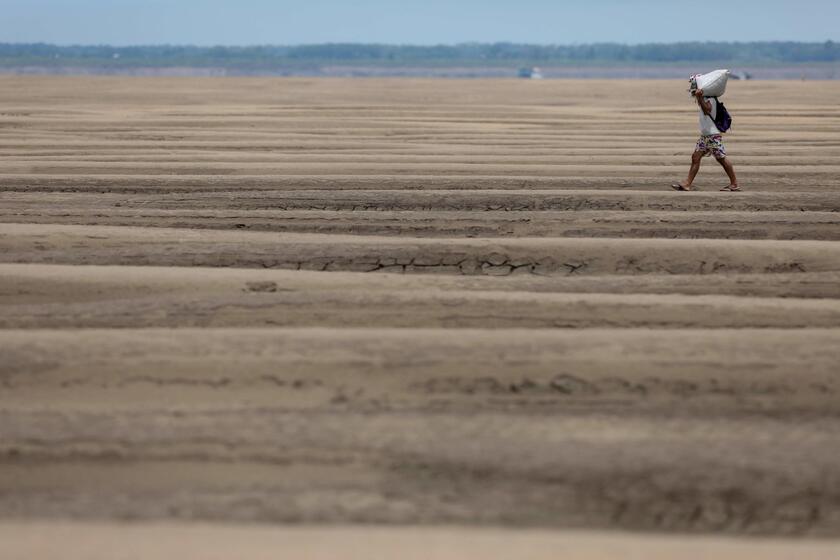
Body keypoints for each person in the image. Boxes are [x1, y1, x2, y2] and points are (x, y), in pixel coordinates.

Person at [672, 87, 740, 192]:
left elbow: (707, 110)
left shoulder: (711, 99)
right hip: (705, 136)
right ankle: (687, 184)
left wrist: (699, 97)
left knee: (721, 159)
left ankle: (734, 183)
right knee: (695, 157)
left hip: (712, 135)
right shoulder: (705, 98)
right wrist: (698, 96)